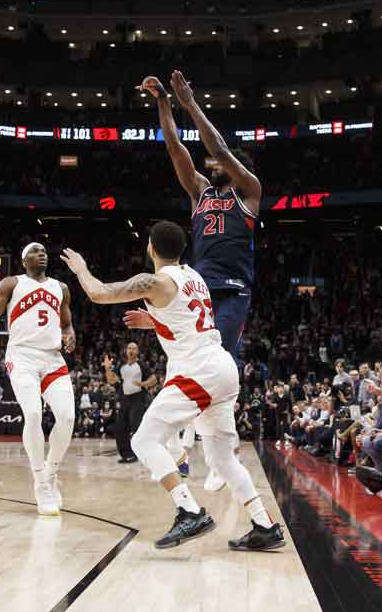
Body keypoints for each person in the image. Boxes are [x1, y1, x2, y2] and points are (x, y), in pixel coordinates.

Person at [61, 220, 284, 551]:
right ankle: (265, 525)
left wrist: (80, 269)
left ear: (150, 247)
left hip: (199, 371)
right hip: (222, 367)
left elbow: (99, 293)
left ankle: (189, 510)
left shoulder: (154, 281)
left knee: (144, 440)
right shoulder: (194, 277)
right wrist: (155, 321)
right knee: (222, 461)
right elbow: (187, 317)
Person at [140, 72, 262, 483]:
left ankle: (221, 452)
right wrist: (162, 102)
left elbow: (220, 148)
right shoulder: (201, 193)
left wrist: (190, 103)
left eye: (228, 161)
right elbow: (175, 149)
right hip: (200, 289)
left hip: (234, 291)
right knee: (188, 359)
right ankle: (200, 447)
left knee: (219, 360)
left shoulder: (249, 191)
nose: (217, 162)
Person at [0, 242, 77, 516]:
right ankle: (40, 482)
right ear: (24, 261)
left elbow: (67, 322)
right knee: (33, 414)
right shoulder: (12, 283)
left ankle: (51, 473)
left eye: (44, 250)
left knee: (68, 417)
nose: (42, 253)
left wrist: (70, 334)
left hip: (53, 358)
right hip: (22, 356)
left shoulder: (61, 288)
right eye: (35, 251)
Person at [104, 344, 156, 464]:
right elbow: (111, 380)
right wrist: (107, 369)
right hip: (125, 399)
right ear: (126, 351)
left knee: (135, 425)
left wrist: (143, 384)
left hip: (139, 398)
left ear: (137, 351)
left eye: (133, 348)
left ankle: (144, 452)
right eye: (129, 348)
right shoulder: (121, 366)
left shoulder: (142, 365)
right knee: (120, 428)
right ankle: (128, 455)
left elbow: (153, 380)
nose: (131, 350)